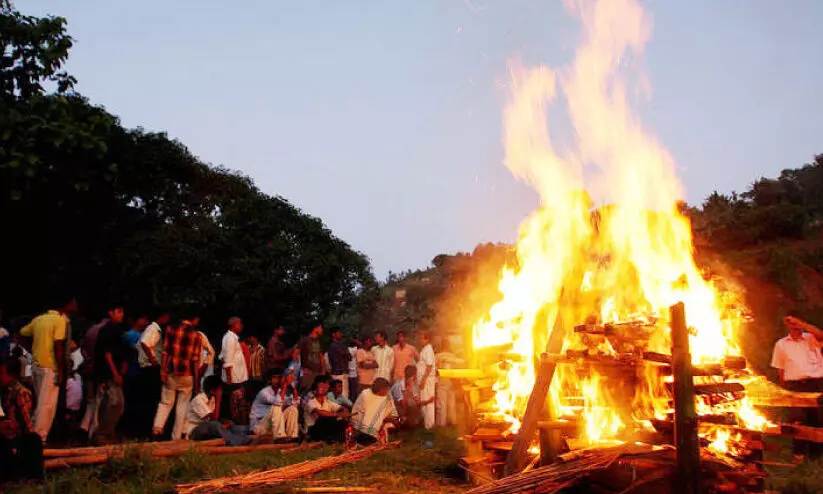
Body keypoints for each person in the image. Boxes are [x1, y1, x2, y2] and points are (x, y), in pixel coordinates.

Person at [19, 295, 77, 441]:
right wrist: (61, 370)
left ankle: (32, 435)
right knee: (47, 405)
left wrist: (32, 350)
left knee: (41, 402)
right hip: (50, 366)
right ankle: (39, 438)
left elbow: (21, 334)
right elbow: (58, 346)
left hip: (37, 364)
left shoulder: (39, 319)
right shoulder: (60, 321)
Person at [771, 313, 823, 460]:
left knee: (817, 420)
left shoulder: (811, 338)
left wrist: (802, 324)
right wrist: (784, 389)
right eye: (789, 322)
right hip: (794, 386)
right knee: (798, 421)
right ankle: (799, 455)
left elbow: (821, 335)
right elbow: (780, 368)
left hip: (815, 383)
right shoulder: (781, 344)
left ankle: (816, 456)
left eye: (795, 322)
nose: (792, 325)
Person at [153, 317, 202, 440]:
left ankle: (157, 428)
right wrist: (196, 382)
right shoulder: (197, 336)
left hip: (171, 372)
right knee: (182, 407)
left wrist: (163, 370)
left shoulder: (170, 329)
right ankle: (176, 437)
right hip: (187, 375)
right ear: (194, 319)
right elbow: (195, 360)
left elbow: (165, 352)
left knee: (165, 402)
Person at [0, 357, 44, 482]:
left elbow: (26, 422)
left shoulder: (20, 392)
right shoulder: (5, 390)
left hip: (16, 432)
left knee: (33, 439)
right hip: (6, 431)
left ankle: (33, 476)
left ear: (11, 375)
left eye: (1, 373)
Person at [91, 305, 128, 444]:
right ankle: (102, 432)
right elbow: (107, 354)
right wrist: (115, 373)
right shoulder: (108, 330)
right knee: (116, 402)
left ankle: (107, 432)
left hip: (113, 371)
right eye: (118, 312)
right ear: (110, 313)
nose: (121, 315)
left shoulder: (117, 330)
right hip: (108, 372)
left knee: (111, 402)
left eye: (122, 312)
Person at [185, 376, 251, 446]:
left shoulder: (211, 399)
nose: (221, 391)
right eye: (219, 389)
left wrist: (224, 422)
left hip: (209, 428)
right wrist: (218, 398)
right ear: (212, 390)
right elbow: (213, 419)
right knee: (215, 424)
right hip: (194, 431)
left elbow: (213, 418)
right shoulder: (199, 400)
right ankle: (238, 441)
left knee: (234, 426)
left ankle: (251, 433)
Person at [135, 310, 170, 438]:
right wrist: (153, 359)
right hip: (150, 369)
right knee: (150, 401)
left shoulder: (153, 329)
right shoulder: (153, 329)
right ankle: (146, 431)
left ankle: (146, 431)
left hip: (149, 368)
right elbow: (145, 343)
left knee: (149, 400)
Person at [250, 370, 299, 440]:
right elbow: (278, 402)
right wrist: (285, 384)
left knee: (292, 409)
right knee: (277, 407)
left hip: (272, 425)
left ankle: (293, 437)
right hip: (259, 426)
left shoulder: (281, 391)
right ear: (269, 381)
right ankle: (280, 437)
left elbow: (296, 403)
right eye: (275, 378)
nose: (277, 380)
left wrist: (293, 386)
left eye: (279, 378)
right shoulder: (264, 392)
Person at [351, 378, 400, 445]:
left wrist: (391, 419)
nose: (387, 391)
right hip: (360, 425)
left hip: (379, 423)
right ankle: (362, 438)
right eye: (386, 389)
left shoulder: (387, 396)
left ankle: (368, 438)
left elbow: (391, 412)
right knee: (368, 435)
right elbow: (359, 412)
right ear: (380, 390)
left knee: (394, 425)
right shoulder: (365, 394)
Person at [218, 317, 248, 420]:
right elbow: (227, 360)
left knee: (237, 404)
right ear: (235, 325)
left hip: (236, 377)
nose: (241, 327)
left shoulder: (232, 338)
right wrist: (229, 379)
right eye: (240, 324)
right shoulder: (230, 338)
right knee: (233, 404)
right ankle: (232, 422)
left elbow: (222, 357)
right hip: (233, 379)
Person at [435, 340, 464, 427]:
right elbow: (457, 367)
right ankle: (453, 421)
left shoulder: (437, 356)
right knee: (451, 403)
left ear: (442, 346)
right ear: (448, 346)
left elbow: (434, 369)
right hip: (451, 381)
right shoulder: (453, 356)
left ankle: (442, 423)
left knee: (442, 403)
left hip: (442, 381)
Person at [296, 325, 325, 392]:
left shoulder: (319, 341)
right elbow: (295, 354)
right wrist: (301, 369)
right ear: (315, 328)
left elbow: (321, 357)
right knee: (305, 392)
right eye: (320, 328)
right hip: (308, 372)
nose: (322, 330)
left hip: (317, 372)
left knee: (316, 392)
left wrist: (323, 371)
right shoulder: (305, 340)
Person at [417, 331, 436, 430]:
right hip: (424, 380)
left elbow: (429, 366)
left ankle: (430, 426)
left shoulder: (428, 349)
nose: (420, 340)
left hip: (427, 381)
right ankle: (427, 425)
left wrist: (423, 380)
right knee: (424, 401)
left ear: (427, 339)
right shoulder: (425, 349)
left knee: (429, 402)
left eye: (422, 338)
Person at [327, 327, 352, 398]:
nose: (341, 334)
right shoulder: (334, 345)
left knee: (344, 394)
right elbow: (347, 355)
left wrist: (345, 354)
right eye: (339, 332)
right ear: (333, 334)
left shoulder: (341, 345)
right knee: (340, 395)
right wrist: (345, 354)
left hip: (343, 373)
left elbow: (349, 357)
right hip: (338, 374)